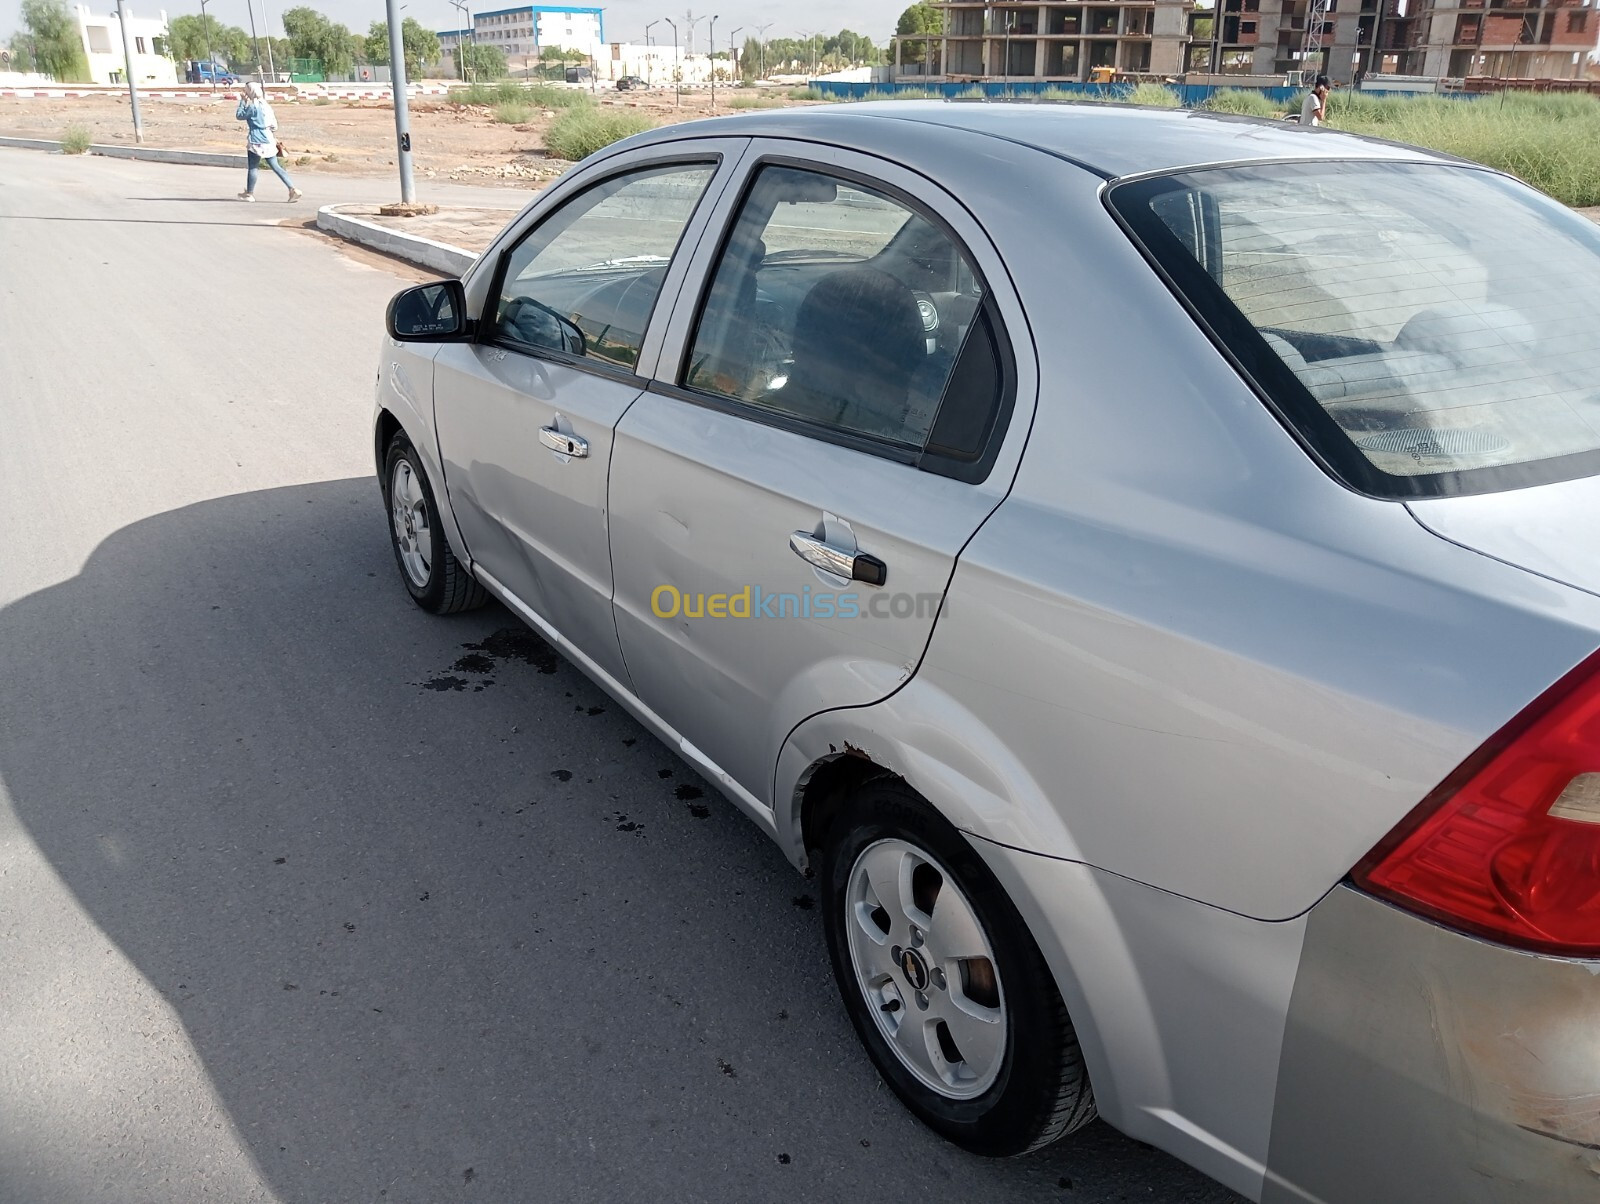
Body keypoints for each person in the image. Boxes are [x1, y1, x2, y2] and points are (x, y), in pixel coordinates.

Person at [235, 81, 302, 202]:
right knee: (276, 166)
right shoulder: (266, 106)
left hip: (256, 139)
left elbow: (239, 115)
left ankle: (249, 194)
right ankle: (292, 189)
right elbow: (274, 126)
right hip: (269, 138)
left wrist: (242, 101)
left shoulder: (252, 106)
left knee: (253, 167)